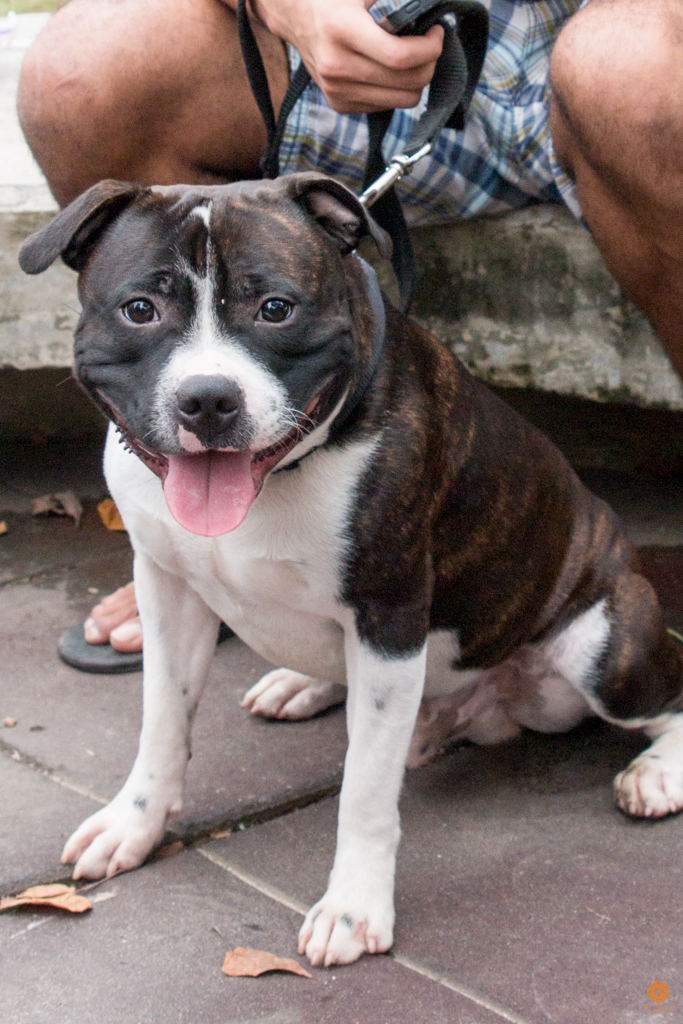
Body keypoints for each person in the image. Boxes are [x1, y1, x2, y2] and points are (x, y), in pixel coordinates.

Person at [17, 0, 683, 660]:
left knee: (631, 74)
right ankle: (223, 559)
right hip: (347, 61)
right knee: (80, 77)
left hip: (612, 43)